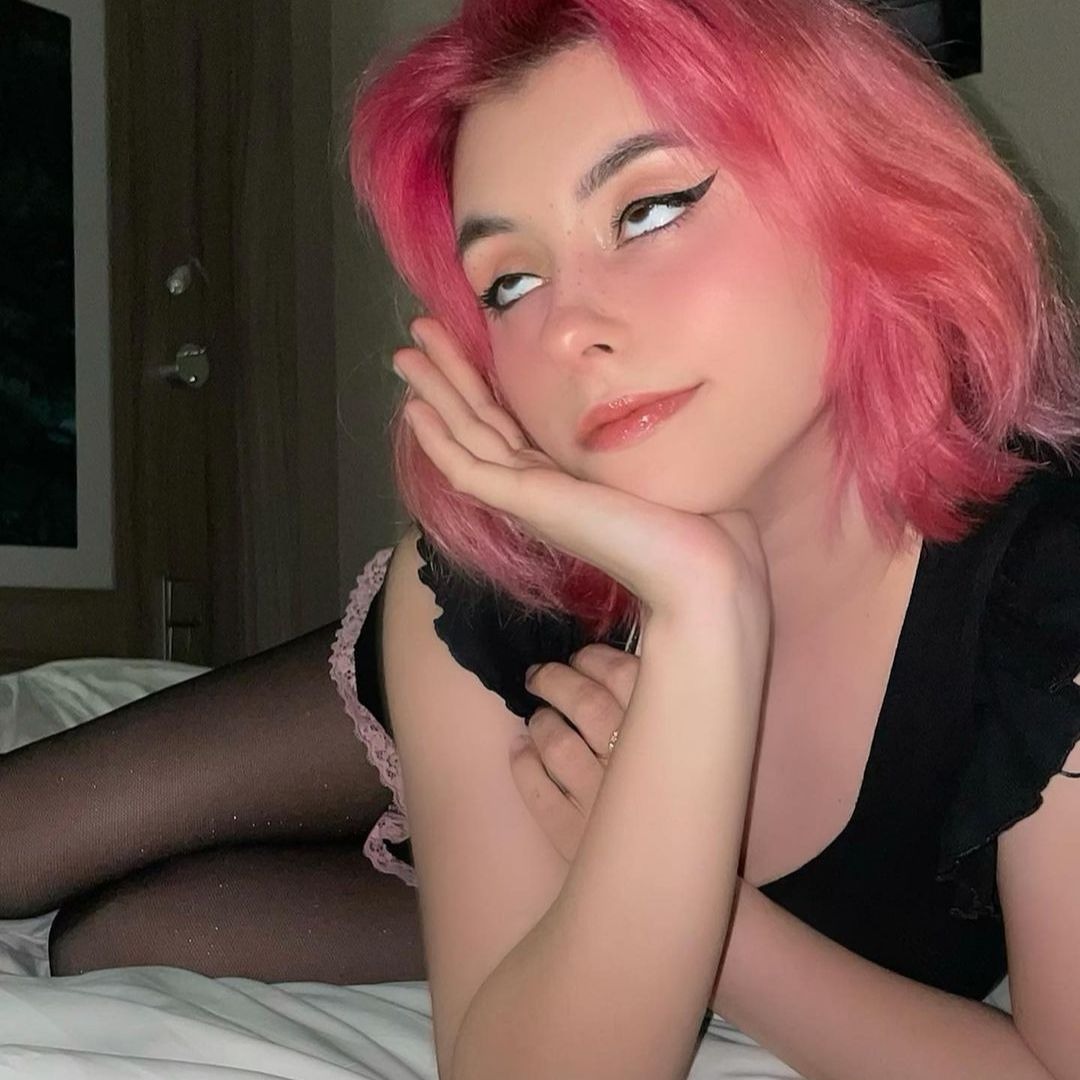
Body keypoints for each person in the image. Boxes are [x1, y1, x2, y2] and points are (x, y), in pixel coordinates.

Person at [3, 0, 1080, 1077]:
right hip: (540, 645)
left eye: (648, 211)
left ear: (867, 192)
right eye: (511, 282)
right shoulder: (490, 582)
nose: (567, 331)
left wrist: (702, 635)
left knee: (123, 935)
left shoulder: (1048, 585)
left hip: (581, 843)